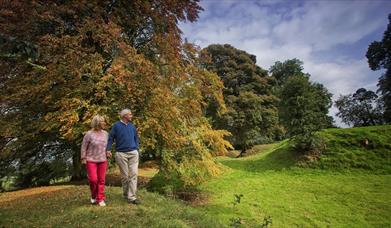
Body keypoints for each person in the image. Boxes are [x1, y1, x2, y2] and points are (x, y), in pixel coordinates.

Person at [106, 109, 141, 205]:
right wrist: (108, 149)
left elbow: (136, 138)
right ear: (125, 116)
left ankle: (132, 197)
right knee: (125, 176)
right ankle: (126, 194)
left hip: (133, 153)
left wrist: (137, 148)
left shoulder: (132, 126)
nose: (131, 116)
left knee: (134, 174)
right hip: (121, 154)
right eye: (130, 114)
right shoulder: (116, 126)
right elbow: (111, 138)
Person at [81, 115, 110, 207]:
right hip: (91, 160)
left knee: (101, 180)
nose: (104, 123)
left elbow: (107, 146)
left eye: (104, 121)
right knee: (93, 180)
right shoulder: (89, 134)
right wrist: (83, 158)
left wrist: (108, 152)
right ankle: (94, 195)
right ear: (97, 123)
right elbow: (84, 147)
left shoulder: (106, 133)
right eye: (102, 121)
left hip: (102, 160)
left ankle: (100, 198)